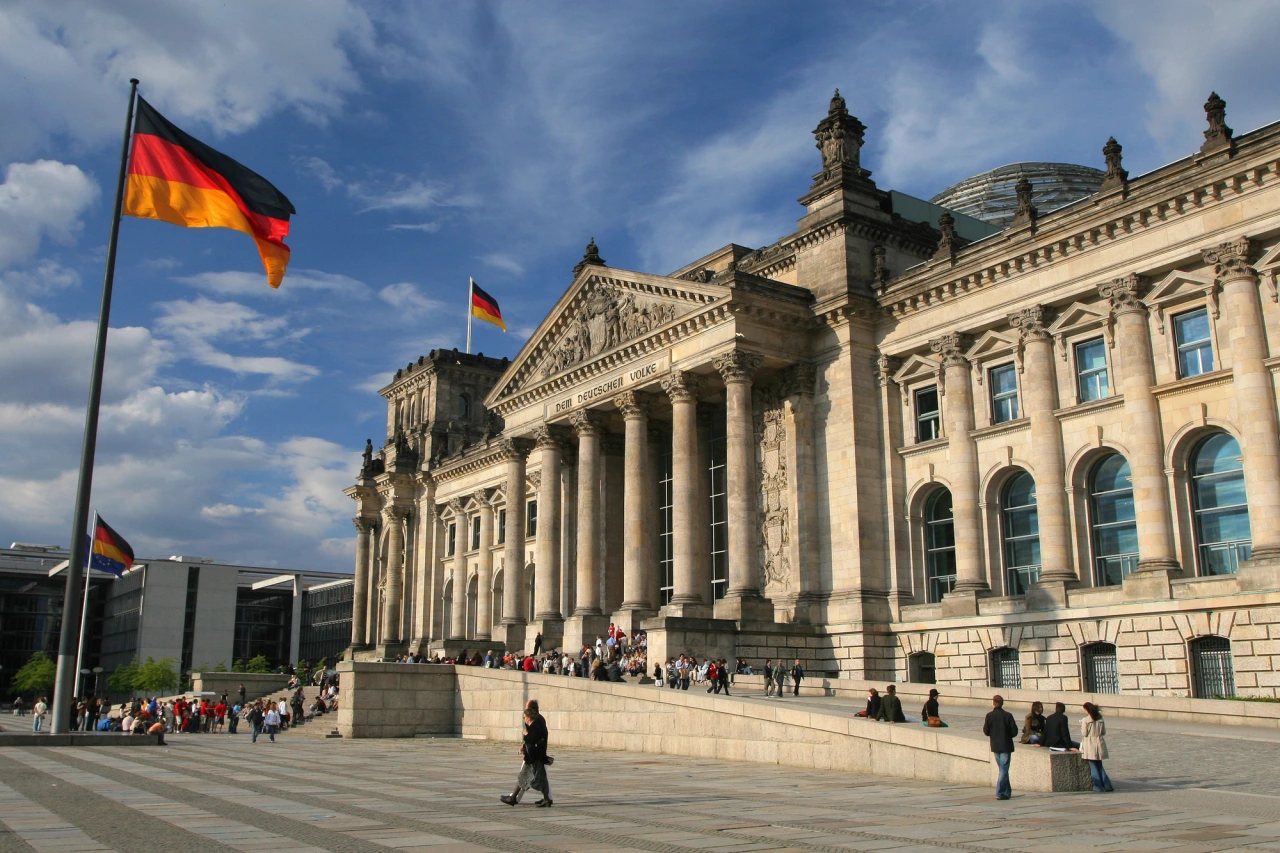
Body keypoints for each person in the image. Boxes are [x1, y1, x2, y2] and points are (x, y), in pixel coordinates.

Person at [501, 700, 552, 807]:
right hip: (534, 756)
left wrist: (525, 736)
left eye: (525, 715)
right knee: (528, 777)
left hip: (534, 757)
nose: (524, 718)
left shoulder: (536, 722)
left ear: (529, 714)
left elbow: (534, 739)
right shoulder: (536, 721)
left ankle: (514, 798)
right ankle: (514, 797)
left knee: (534, 778)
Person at [983, 695, 1019, 800]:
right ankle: (1000, 792)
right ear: (1002, 703)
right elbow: (1014, 732)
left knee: (1003, 769)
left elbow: (986, 731)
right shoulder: (1008, 715)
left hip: (995, 745)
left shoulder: (989, 716)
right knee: (1004, 769)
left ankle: (1007, 792)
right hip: (1006, 745)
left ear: (993, 703)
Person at [1080, 703, 1114, 792]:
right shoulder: (1100, 719)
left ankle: (1098, 786)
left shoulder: (1085, 720)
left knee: (1093, 765)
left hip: (1090, 743)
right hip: (1099, 742)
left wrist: (1081, 726)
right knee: (1099, 764)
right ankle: (1107, 785)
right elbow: (1103, 732)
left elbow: (1084, 733)